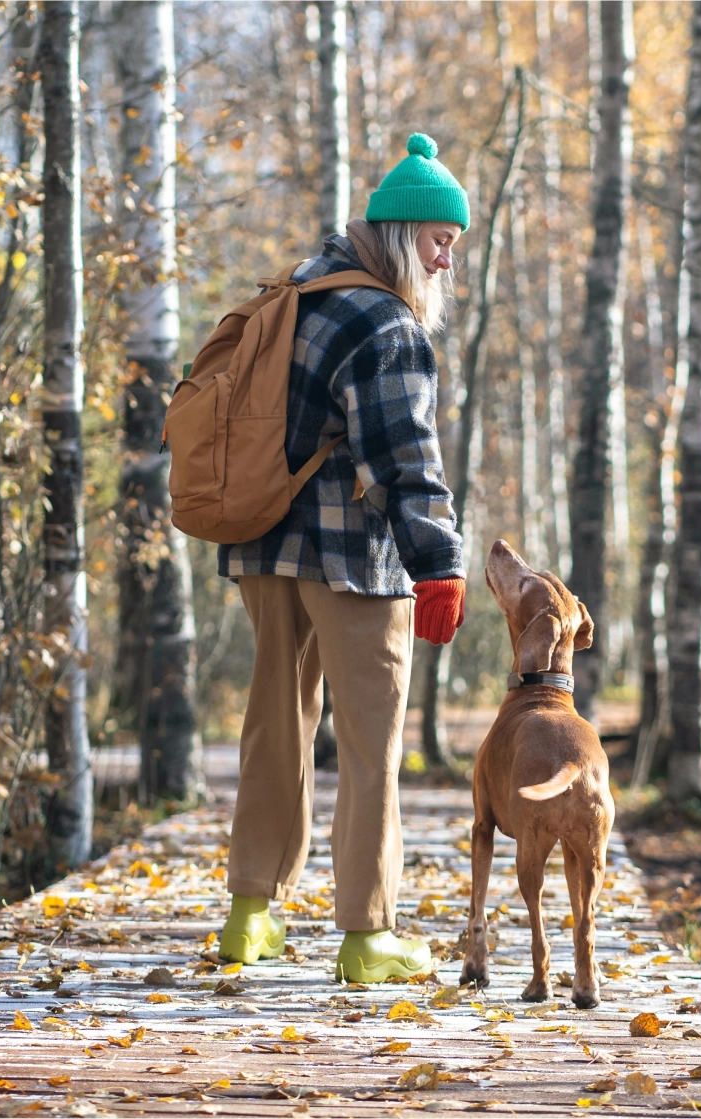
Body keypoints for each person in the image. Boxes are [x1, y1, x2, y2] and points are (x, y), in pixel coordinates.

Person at [217, 133, 469, 983]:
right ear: (401, 231)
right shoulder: (386, 321)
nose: (446, 260)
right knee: (369, 741)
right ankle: (369, 934)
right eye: (440, 240)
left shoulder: (299, 287)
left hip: (262, 542)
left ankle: (250, 911)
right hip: (352, 553)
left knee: (275, 723)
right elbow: (407, 455)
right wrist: (438, 562)